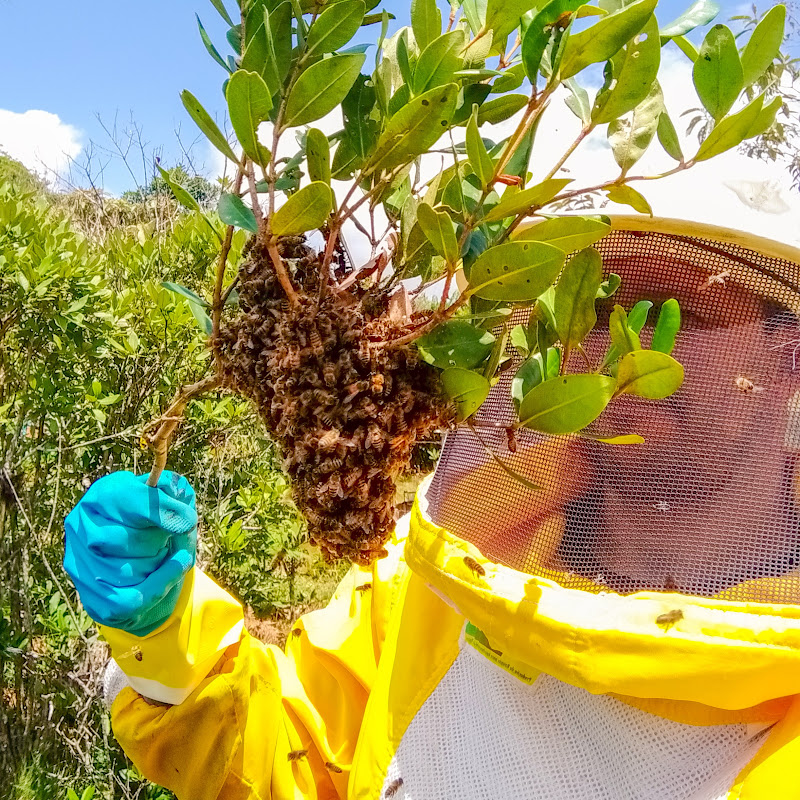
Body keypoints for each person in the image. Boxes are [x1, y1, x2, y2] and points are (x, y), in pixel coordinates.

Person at [64, 217, 800, 800]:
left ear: (787, 352)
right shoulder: (453, 564)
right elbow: (290, 755)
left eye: (687, 317)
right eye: (597, 305)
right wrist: (166, 639)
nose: (624, 350)